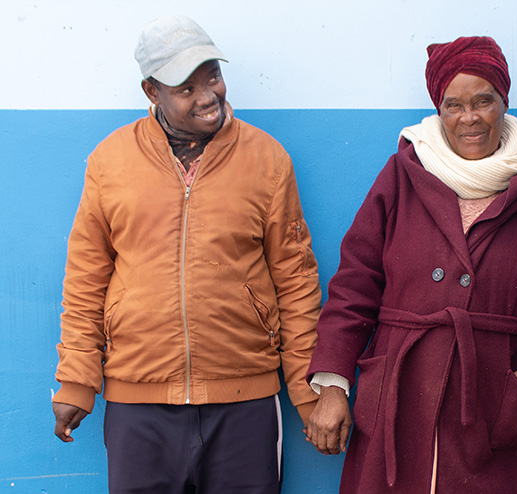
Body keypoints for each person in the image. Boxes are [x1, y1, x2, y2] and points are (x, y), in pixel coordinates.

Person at [305, 36, 517, 493]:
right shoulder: (402, 176)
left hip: (495, 398)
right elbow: (355, 285)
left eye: (483, 101)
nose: (470, 118)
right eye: (453, 104)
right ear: (437, 108)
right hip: (398, 397)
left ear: (504, 101)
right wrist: (332, 386)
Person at [52, 15, 322, 493]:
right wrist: (76, 381)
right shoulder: (110, 162)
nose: (206, 97)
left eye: (212, 76)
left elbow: (297, 282)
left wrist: (306, 391)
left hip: (246, 403)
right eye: (185, 87)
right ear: (151, 91)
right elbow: (86, 279)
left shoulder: (267, 160)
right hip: (138, 405)